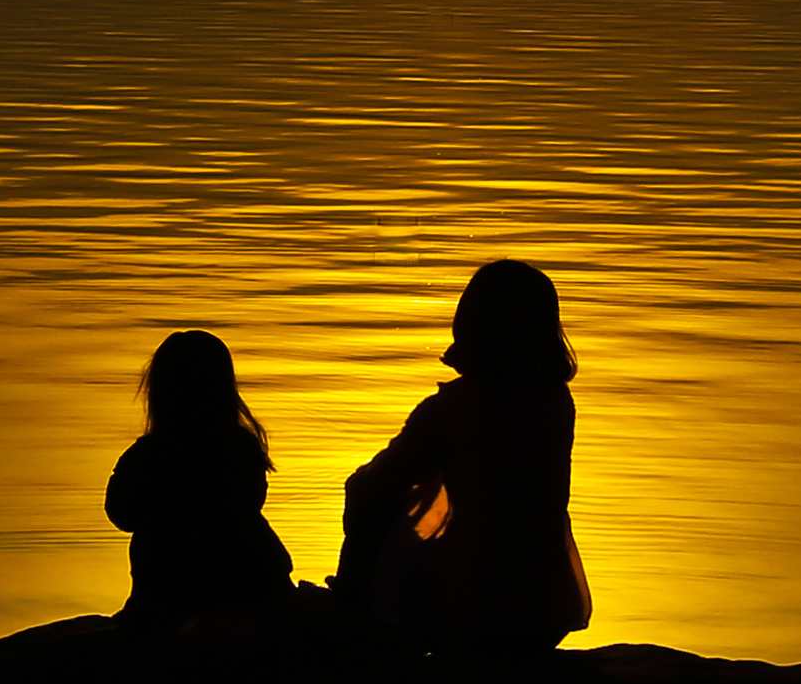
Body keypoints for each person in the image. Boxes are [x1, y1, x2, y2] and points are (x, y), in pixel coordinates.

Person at [335, 261, 590, 654]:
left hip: (473, 605)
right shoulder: (555, 401)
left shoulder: (452, 408)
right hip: (546, 601)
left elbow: (378, 483)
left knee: (368, 495)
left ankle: (353, 617)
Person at [106, 330, 295, 631]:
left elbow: (121, 513)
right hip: (254, 583)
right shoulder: (241, 447)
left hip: (168, 593)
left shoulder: (146, 455)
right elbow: (250, 501)